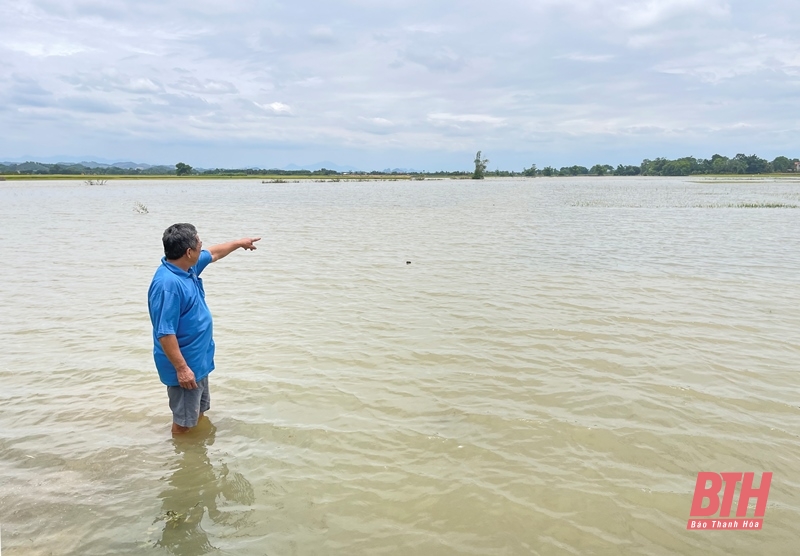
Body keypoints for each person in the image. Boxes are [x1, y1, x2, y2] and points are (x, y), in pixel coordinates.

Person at [148, 223, 260, 434]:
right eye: (199, 243)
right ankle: (181, 458)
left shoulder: (187, 268)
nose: (202, 246)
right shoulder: (168, 285)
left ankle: (196, 457)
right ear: (189, 252)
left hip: (197, 362)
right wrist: (182, 369)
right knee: (183, 423)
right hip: (185, 366)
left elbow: (215, 253)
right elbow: (165, 332)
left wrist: (239, 243)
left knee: (197, 413)